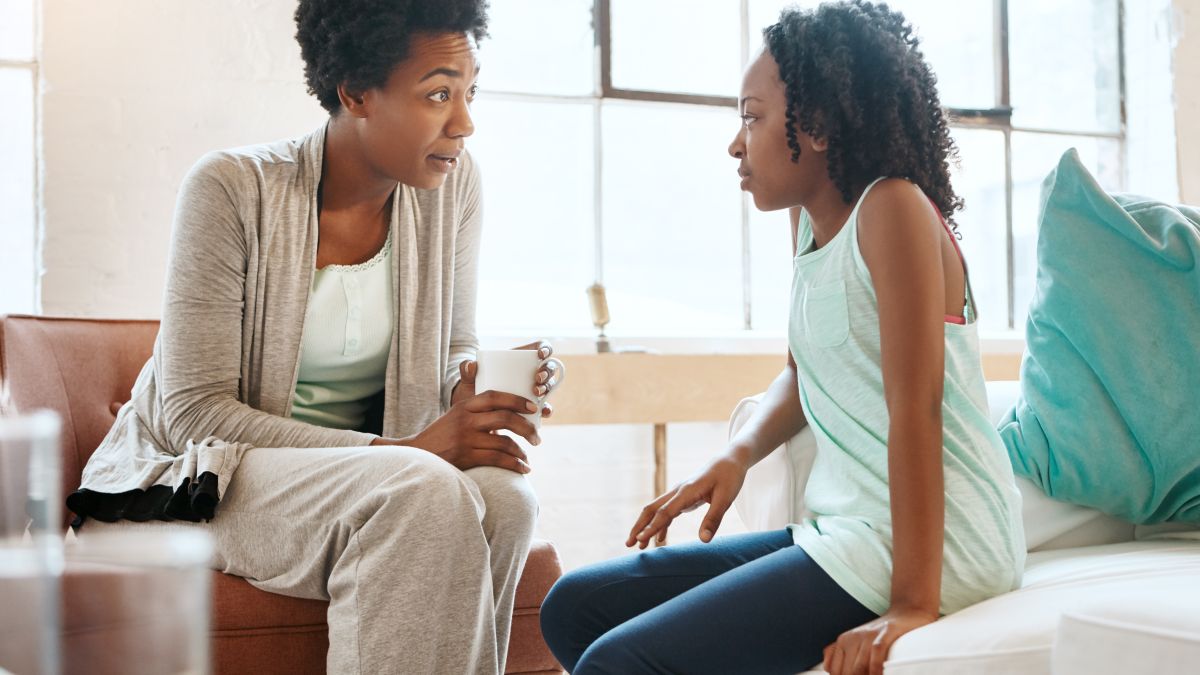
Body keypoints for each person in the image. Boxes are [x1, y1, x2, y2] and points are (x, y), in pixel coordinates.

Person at [67, 1, 562, 673]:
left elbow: (452, 344)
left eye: (471, 93)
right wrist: (404, 449)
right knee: (418, 487)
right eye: (439, 94)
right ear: (355, 92)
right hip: (201, 479)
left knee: (507, 498)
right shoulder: (232, 189)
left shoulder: (451, 184)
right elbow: (193, 414)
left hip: (373, 477)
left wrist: (471, 383)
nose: (465, 124)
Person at [539, 2, 1025, 674]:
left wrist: (912, 605)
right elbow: (803, 375)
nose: (736, 143)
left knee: (616, 663)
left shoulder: (894, 208)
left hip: (940, 549)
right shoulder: (809, 224)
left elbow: (917, 407)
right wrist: (735, 457)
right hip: (845, 533)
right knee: (574, 606)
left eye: (752, 115)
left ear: (818, 126)